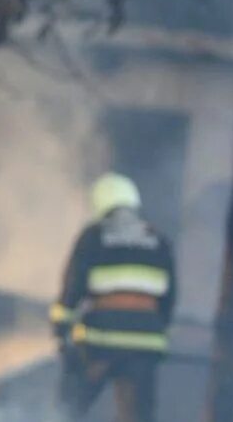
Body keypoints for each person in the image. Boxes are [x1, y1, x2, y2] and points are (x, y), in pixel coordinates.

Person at [49, 172, 176, 422]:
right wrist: (155, 328)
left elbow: (73, 288)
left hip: (101, 340)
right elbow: (169, 298)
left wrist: (61, 329)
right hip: (145, 343)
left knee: (68, 408)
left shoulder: (94, 236)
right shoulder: (159, 240)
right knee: (138, 416)